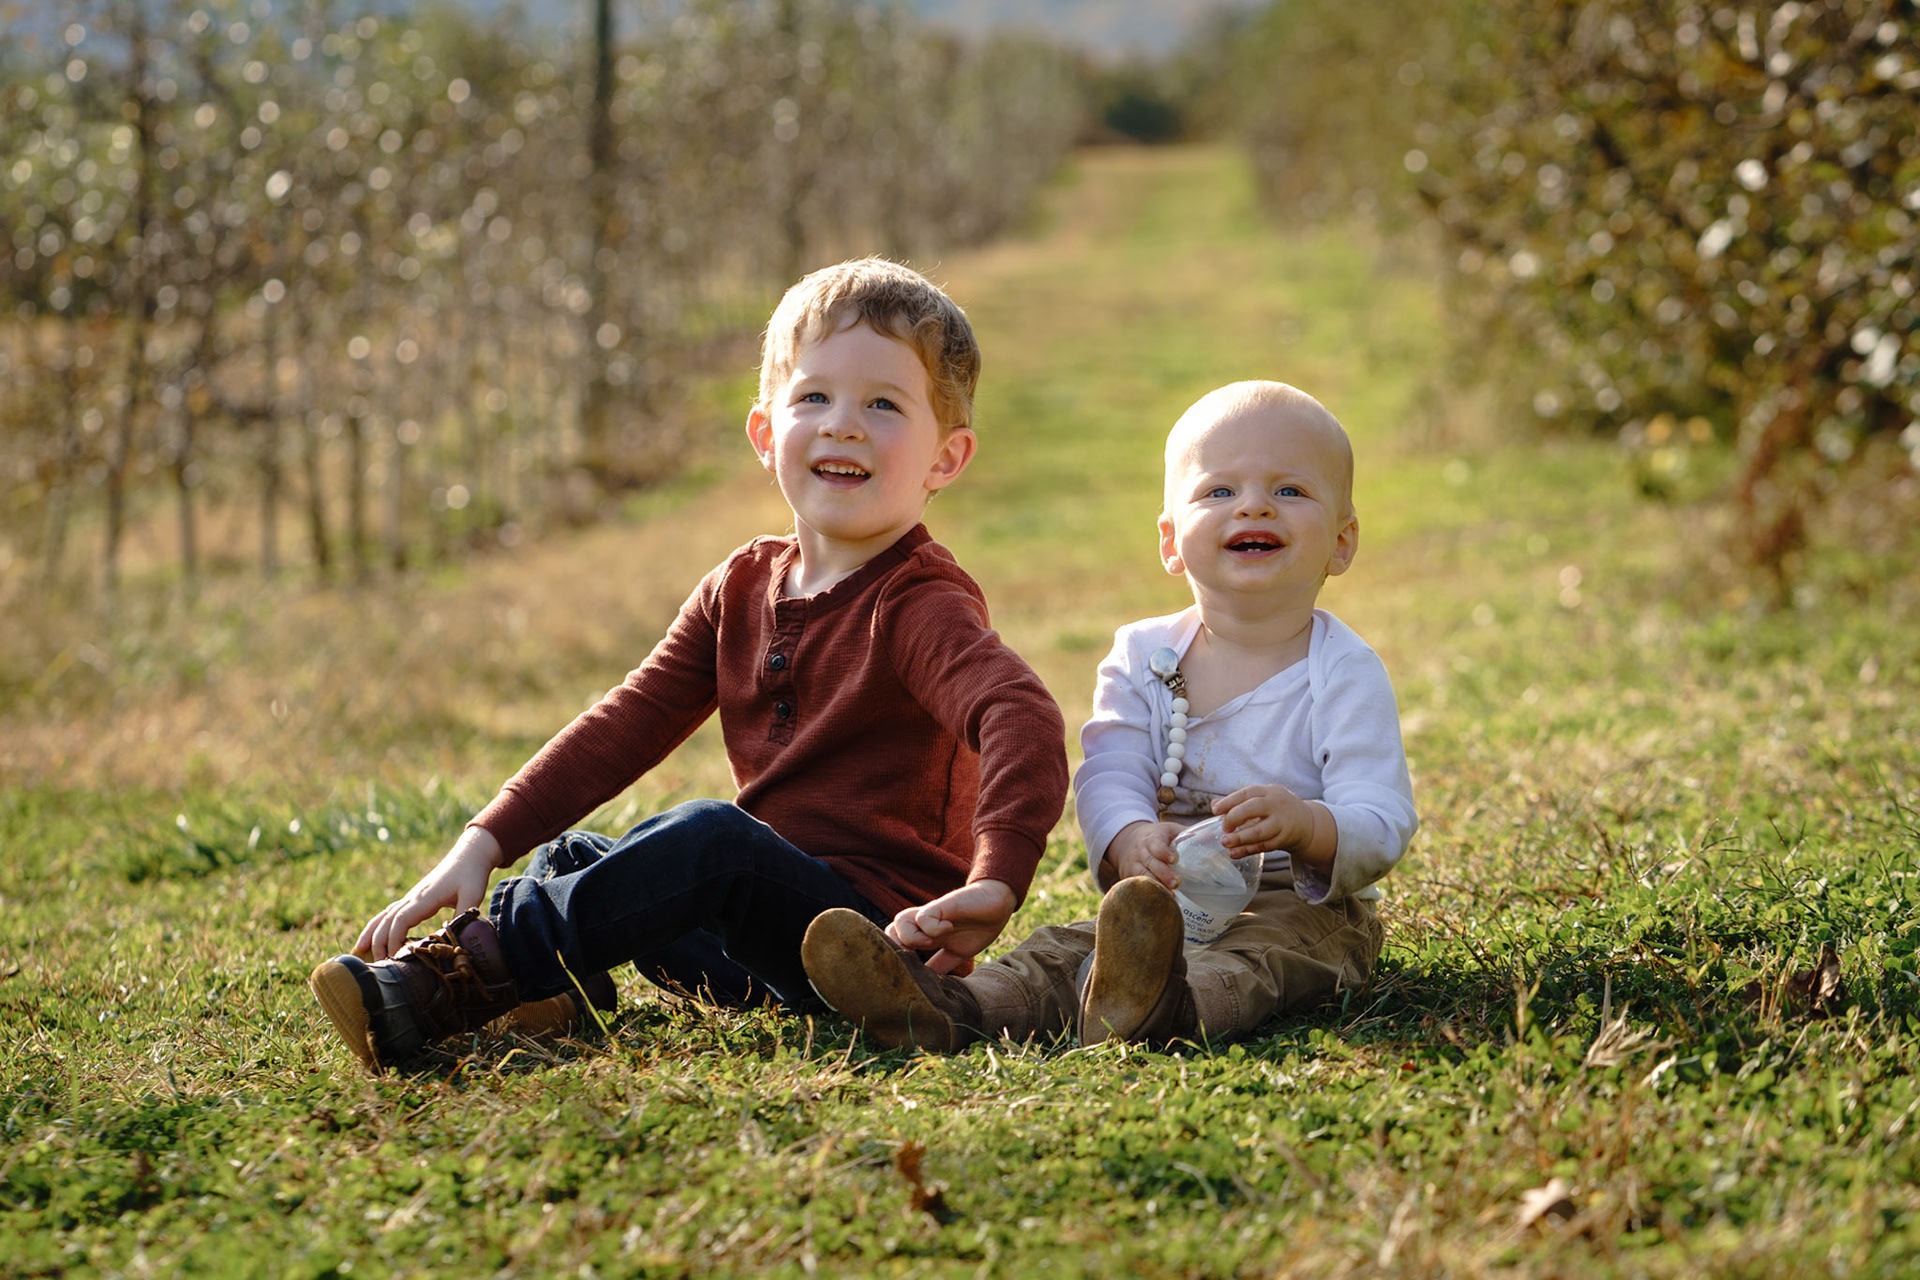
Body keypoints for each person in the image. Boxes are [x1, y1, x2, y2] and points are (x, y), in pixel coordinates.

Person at [309, 258, 1069, 1072]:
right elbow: (626, 722)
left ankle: (459, 981)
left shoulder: (917, 604)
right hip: (747, 939)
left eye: (882, 405)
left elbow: (1018, 714)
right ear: (766, 434)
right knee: (570, 857)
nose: (843, 423)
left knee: (710, 838)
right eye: (813, 396)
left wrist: (997, 878)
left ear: (944, 460)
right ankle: (557, 990)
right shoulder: (739, 586)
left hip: (868, 947)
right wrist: (483, 841)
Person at [801, 380, 1417, 1049]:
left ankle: (1168, 1008)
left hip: (1298, 903)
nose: (1254, 506)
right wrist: (1127, 837)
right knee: (1064, 952)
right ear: (1171, 541)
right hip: (1162, 896)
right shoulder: (1144, 653)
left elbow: (1382, 817)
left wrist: (1307, 825)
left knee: (1255, 963)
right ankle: (949, 1006)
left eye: (1290, 491)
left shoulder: (1343, 672)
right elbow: (1111, 769)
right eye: (1219, 491)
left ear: (1342, 541)